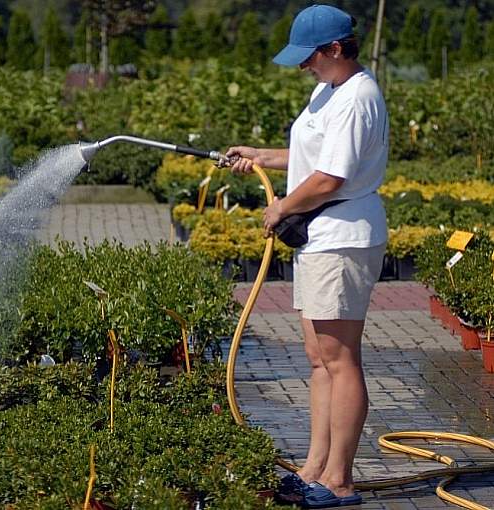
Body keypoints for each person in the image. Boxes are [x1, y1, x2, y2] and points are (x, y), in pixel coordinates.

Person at [224, 4, 388, 508]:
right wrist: (260, 155)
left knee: (341, 361)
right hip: (321, 239)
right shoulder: (329, 90)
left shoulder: (357, 97)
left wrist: (280, 208)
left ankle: (339, 480)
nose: (303, 67)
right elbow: (314, 156)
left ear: (336, 49)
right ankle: (312, 467)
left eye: (309, 57)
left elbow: (330, 178)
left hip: (342, 237)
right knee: (320, 361)